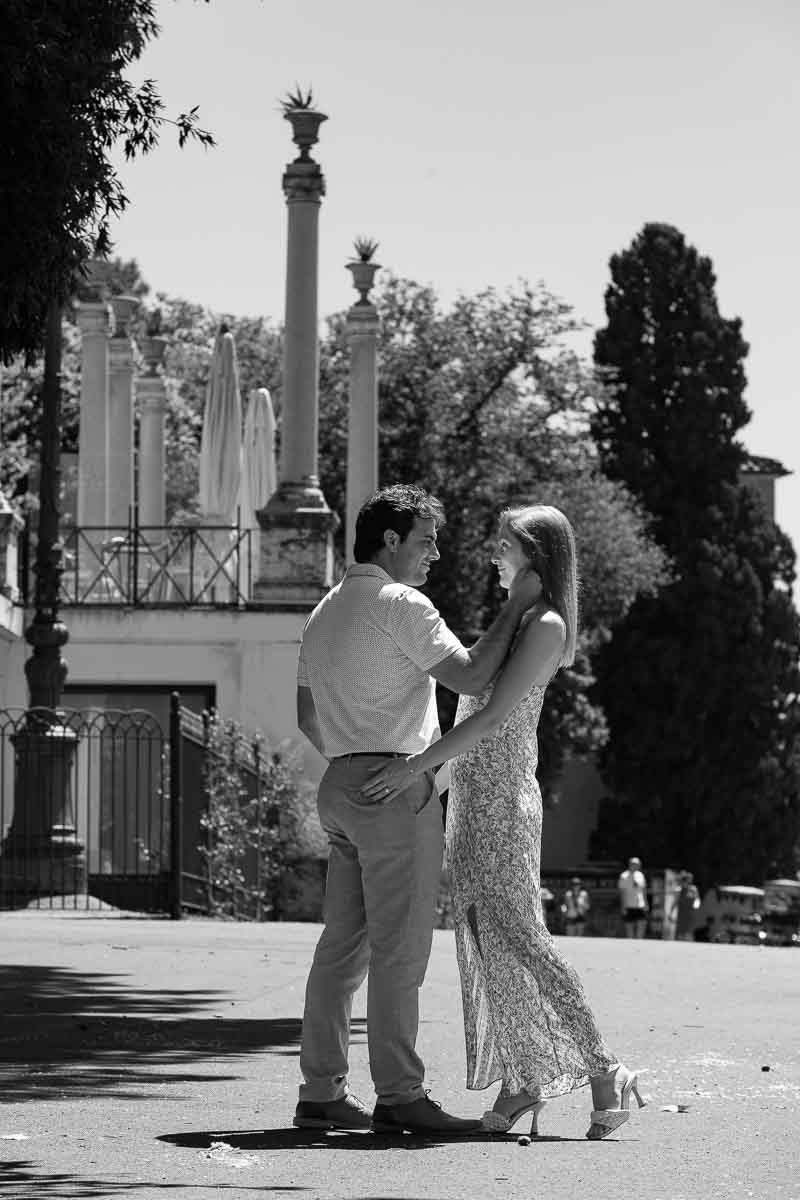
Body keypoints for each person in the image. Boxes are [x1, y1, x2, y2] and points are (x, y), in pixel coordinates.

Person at [363, 504, 646, 1141]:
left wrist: (417, 768)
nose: (494, 554)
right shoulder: (520, 619)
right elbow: (472, 694)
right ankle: (524, 1077)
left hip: (503, 807)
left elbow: (488, 721)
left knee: (520, 937)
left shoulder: (545, 624)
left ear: (537, 558)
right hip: (472, 802)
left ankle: (605, 1070)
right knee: (486, 941)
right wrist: (436, 784)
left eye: (505, 546)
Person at [293, 484, 542, 1136]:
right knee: (399, 952)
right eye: (426, 539)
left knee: (341, 949)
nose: (435, 552)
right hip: (393, 788)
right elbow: (469, 676)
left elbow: (304, 713)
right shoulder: (401, 604)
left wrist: (350, 763)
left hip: (343, 786)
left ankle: (320, 1091)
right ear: (392, 540)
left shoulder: (324, 609)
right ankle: (401, 1095)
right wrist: (514, 609)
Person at [618, 857, 648, 939]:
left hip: (640, 905)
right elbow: (622, 893)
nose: (636, 866)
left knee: (642, 924)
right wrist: (623, 907)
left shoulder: (641, 875)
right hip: (629, 905)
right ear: (630, 864)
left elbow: (643, 891)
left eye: (638, 864)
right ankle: (631, 944)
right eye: (634, 864)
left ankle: (639, 943)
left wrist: (646, 903)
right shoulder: (623, 876)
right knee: (629, 927)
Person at [672, 871, 700, 941]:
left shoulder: (693, 889)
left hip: (690, 914)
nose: (690, 881)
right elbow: (675, 902)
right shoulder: (679, 890)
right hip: (681, 914)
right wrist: (671, 912)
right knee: (680, 933)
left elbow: (697, 899)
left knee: (689, 932)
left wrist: (696, 905)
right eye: (688, 879)